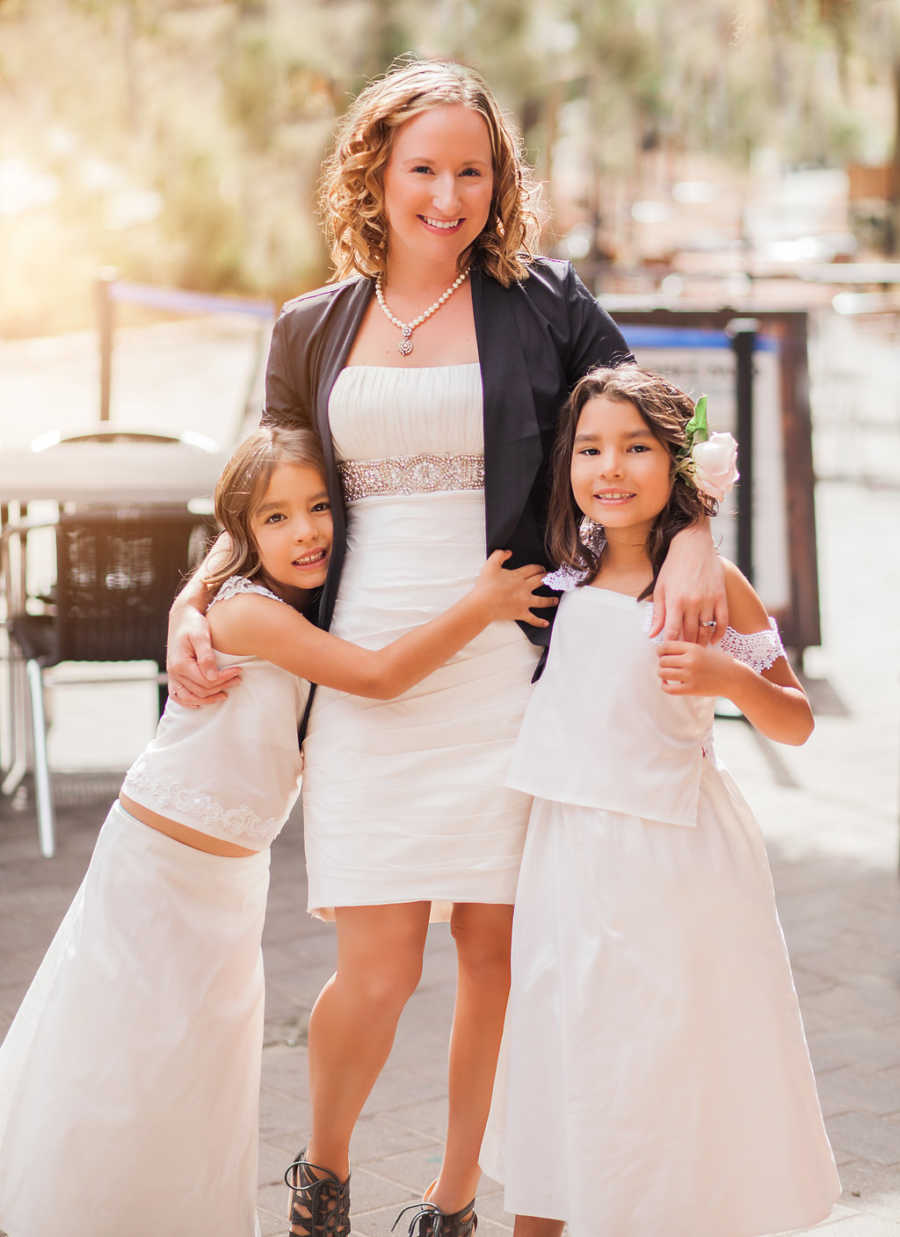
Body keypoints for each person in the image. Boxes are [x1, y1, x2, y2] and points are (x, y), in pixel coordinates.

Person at [165, 58, 727, 1237]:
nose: (449, 194)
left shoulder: (547, 304)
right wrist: (196, 596)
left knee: (496, 951)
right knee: (376, 963)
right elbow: (256, 498)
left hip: (516, 667)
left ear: (498, 179)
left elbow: (661, 430)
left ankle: (457, 1196)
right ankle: (322, 1175)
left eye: (473, 170)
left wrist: (688, 541)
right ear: (375, 172)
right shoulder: (310, 327)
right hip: (368, 670)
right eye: (425, 167)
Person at [0, 425, 552, 1237]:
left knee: (202, 1058)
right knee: (120, 1046)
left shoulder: (300, 606)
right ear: (243, 534)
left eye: (320, 507)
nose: (306, 531)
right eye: (277, 517)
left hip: (231, 873)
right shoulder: (249, 612)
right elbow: (376, 676)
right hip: (159, 858)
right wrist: (480, 604)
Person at [479, 366, 842, 1237]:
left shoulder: (712, 585)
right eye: (592, 448)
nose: (611, 467)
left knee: (664, 1052)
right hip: (569, 856)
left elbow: (794, 720)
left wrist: (726, 676)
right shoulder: (563, 576)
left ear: (677, 463)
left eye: (637, 448)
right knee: (564, 1046)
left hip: (674, 860)